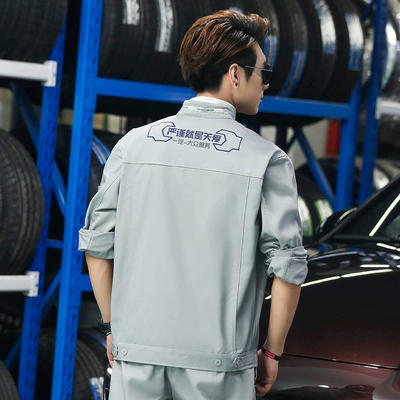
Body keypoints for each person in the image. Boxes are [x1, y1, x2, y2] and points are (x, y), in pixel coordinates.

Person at [79, 9, 307, 399]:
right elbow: (287, 269)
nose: (266, 83)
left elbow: (97, 244)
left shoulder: (132, 146)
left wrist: (112, 328)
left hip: (137, 357)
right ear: (235, 74)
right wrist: (272, 352)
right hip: (220, 368)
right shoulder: (266, 160)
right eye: (263, 72)